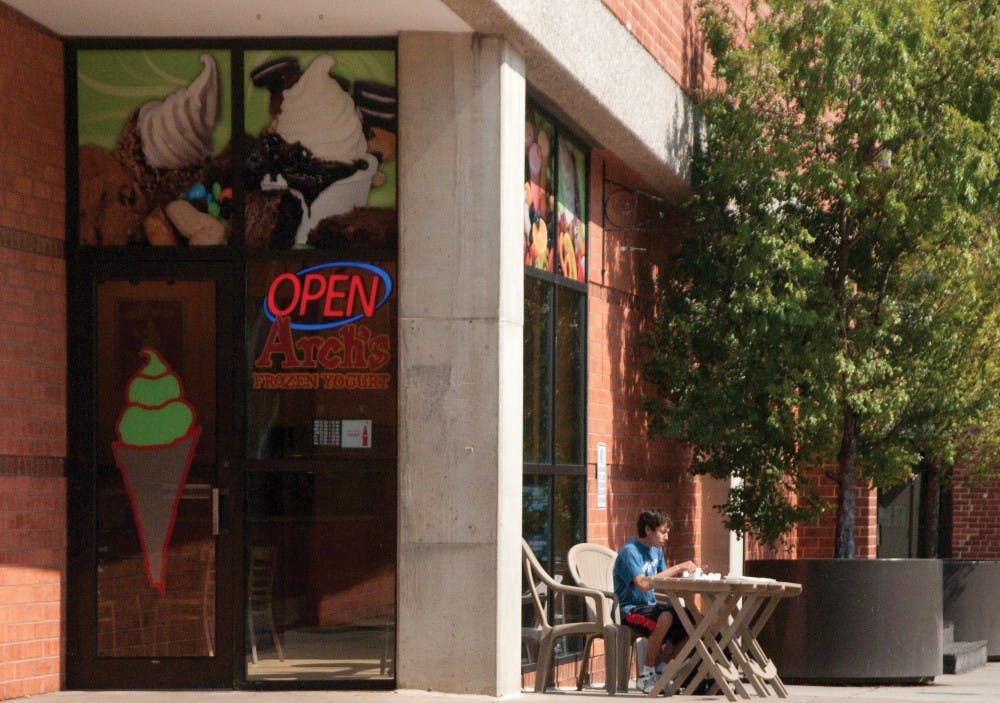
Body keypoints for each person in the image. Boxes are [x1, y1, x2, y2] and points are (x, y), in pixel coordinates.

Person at [613, 509, 699, 694]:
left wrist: (690, 577)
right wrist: (678, 567)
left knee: (692, 621)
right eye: (663, 531)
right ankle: (645, 675)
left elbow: (664, 581)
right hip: (629, 610)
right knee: (666, 617)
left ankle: (661, 672)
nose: (666, 537)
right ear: (648, 529)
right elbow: (643, 584)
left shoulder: (656, 552)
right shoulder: (630, 551)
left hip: (651, 608)